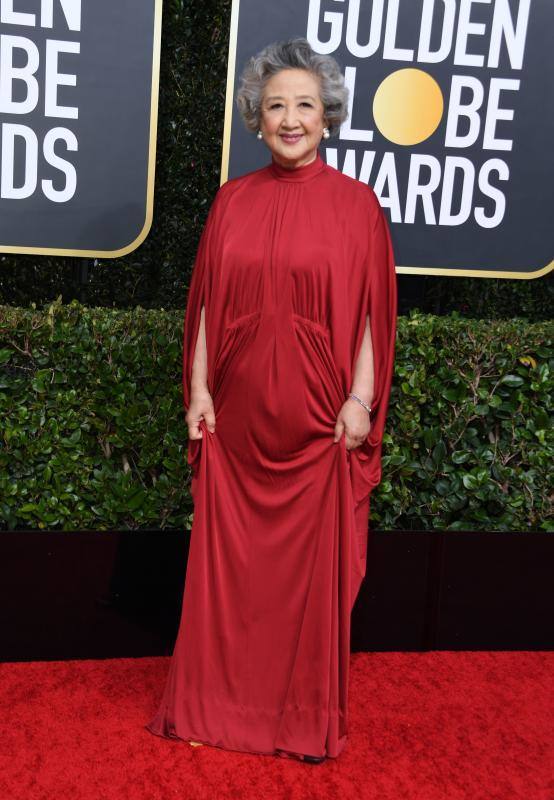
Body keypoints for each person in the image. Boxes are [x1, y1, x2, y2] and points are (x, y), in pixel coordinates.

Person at [146, 37, 397, 764]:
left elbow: (373, 316)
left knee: (306, 586)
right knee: (228, 577)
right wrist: (197, 390)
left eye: (306, 106)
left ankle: (295, 720)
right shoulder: (232, 202)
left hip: (321, 430)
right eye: (276, 106)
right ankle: (212, 709)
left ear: (328, 118)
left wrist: (361, 399)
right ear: (256, 119)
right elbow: (205, 311)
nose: (291, 118)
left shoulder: (358, 208)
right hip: (239, 430)